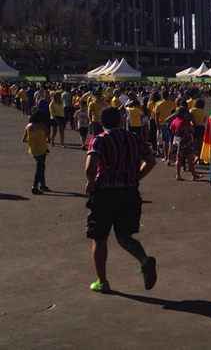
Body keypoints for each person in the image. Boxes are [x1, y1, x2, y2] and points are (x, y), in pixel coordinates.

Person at [84, 107, 157, 293]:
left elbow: (90, 167)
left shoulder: (100, 140)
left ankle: (102, 282)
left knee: (99, 238)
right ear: (120, 120)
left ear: (102, 122)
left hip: (105, 194)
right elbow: (150, 160)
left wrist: (91, 182)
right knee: (124, 236)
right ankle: (144, 260)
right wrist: (137, 177)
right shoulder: (133, 138)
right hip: (129, 193)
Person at [23, 111, 50, 195]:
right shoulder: (42, 126)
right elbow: (47, 135)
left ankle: (42, 185)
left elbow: (24, 139)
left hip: (33, 150)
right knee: (40, 168)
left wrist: (32, 138)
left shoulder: (28, 126)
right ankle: (35, 186)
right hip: (42, 149)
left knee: (41, 166)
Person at [170, 106, 200, 181]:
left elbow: (171, 129)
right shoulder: (185, 122)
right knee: (190, 159)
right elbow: (191, 130)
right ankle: (194, 175)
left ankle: (178, 175)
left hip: (176, 140)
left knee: (179, 159)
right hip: (185, 142)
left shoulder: (175, 120)